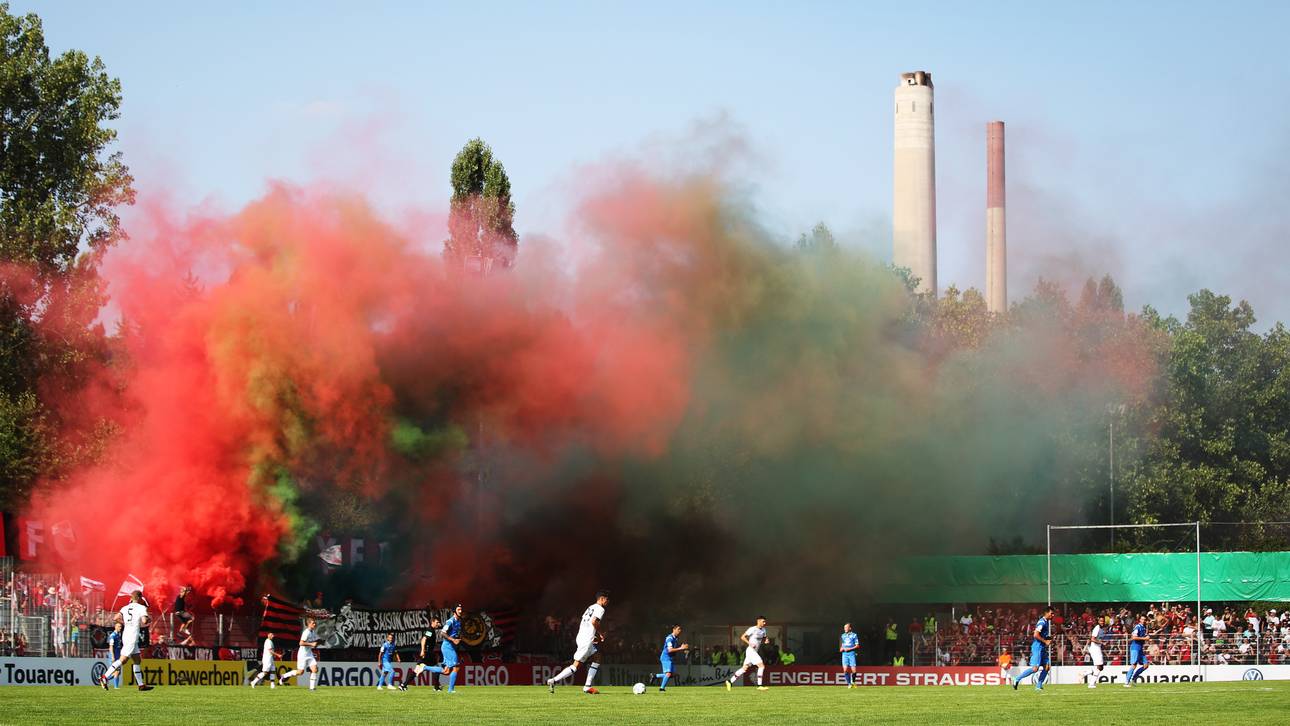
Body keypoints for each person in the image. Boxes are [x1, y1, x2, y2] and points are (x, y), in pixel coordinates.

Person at [547, 591, 609, 695]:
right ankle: (554, 680)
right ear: (601, 598)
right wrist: (601, 633)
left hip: (582, 637)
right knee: (575, 666)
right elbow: (594, 621)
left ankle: (587, 686)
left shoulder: (590, 607)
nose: (608, 601)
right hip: (586, 640)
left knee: (598, 657)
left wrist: (592, 635)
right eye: (607, 599)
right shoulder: (600, 609)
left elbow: (586, 623)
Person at [98, 591, 155, 692]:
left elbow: (115, 618)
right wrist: (149, 619)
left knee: (137, 660)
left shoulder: (125, 607)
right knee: (123, 660)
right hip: (132, 636)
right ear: (140, 598)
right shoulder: (141, 607)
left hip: (126, 635)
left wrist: (126, 623)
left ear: (131, 598)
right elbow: (144, 621)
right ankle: (104, 677)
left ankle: (141, 685)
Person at [398, 614, 446, 691]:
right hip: (427, 654)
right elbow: (423, 639)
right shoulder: (430, 630)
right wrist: (423, 650)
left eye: (438, 622)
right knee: (429, 669)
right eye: (437, 622)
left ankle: (404, 685)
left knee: (433, 669)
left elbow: (430, 642)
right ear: (432, 622)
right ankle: (404, 685)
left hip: (429, 653)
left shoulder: (432, 630)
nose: (438, 624)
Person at [1012, 605, 1053, 691]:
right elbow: (1035, 635)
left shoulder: (1046, 622)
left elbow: (1041, 634)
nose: (1053, 615)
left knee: (1047, 666)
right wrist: (1045, 641)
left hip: (1042, 647)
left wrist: (1047, 638)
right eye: (1051, 613)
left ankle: (1038, 686)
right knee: (1035, 669)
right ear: (1046, 613)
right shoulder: (1042, 622)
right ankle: (1017, 679)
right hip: (1038, 647)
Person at [725, 616, 769, 691]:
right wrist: (750, 643)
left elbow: (765, 637)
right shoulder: (752, 629)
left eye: (765, 621)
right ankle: (759, 685)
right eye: (763, 621)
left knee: (744, 668)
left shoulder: (764, 630)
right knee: (761, 666)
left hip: (754, 651)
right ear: (758, 621)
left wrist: (766, 640)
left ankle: (729, 681)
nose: (764, 623)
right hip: (751, 651)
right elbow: (742, 637)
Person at [279, 617, 321, 691]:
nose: (314, 624)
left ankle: (312, 688)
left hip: (309, 653)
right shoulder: (306, 632)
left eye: (315, 623)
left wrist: (318, 642)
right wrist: (311, 644)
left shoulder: (313, 632)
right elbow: (301, 643)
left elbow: (314, 641)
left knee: (315, 669)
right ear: (308, 624)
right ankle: (284, 676)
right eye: (313, 623)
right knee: (300, 672)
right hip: (303, 654)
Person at [652, 625, 688, 692]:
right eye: (678, 629)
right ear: (673, 630)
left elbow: (674, 649)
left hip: (670, 658)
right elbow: (670, 650)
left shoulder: (675, 638)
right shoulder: (669, 638)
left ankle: (655, 676)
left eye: (680, 629)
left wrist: (682, 648)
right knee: (668, 674)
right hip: (666, 657)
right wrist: (681, 648)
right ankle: (662, 688)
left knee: (671, 675)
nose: (679, 631)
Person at [440, 604, 465, 693]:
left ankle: (425, 667)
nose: (460, 611)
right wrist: (453, 640)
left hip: (451, 647)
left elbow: (456, 633)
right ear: (454, 612)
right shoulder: (450, 621)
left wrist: (459, 638)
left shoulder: (459, 621)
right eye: (458, 609)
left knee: (446, 671)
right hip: (447, 647)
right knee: (456, 667)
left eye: (461, 609)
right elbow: (442, 633)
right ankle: (450, 690)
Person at [1125, 614, 1150, 687]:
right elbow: (1134, 637)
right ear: (1140, 620)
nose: (1143, 621)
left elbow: (1144, 636)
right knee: (1134, 664)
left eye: (1144, 620)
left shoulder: (1144, 628)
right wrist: (1145, 638)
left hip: (1140, 648)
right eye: (1142, 619)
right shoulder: (1137, 627)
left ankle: (1134, 679)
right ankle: (1127, 682)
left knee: (1146, 665)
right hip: (1135, 647)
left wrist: (1147, 637)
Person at [1085, 617, 1106, 688]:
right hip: (1095, 648)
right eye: (1101, 621)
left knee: (1101, 667)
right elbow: (1092, 639)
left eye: (1103, 621)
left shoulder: (1101, 628)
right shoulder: (1097, 628)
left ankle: (1088, 676)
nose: (1102, 622)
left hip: (1097, 648)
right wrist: (1101, 643)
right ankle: (1091, 682)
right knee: (1099, 667)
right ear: (1098, 621)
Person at [840, 623, 860, 688]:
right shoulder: (843, 635)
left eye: (846, 627)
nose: (845, 629)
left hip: (851, 653)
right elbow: (842, 645)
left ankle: (853, 682)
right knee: (845, 670)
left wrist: (849, 649)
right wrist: (841, 648)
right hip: (844, 654)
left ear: (850, 628)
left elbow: (857, 646)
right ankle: (849, 684)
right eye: (844, 627)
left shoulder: (854, 635)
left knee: (854, 670)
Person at [106, 622, 124, 688]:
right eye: (119, 626)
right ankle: (115, 687)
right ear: (115, 627)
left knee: (118, 672)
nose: (120, 628)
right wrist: (112, 656)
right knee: (116, 672)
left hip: (118, 656)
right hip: (114, 656)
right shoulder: (112, 635)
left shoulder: (118, 635)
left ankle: (105, 679)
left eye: (121, 626)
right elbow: (111, 647)